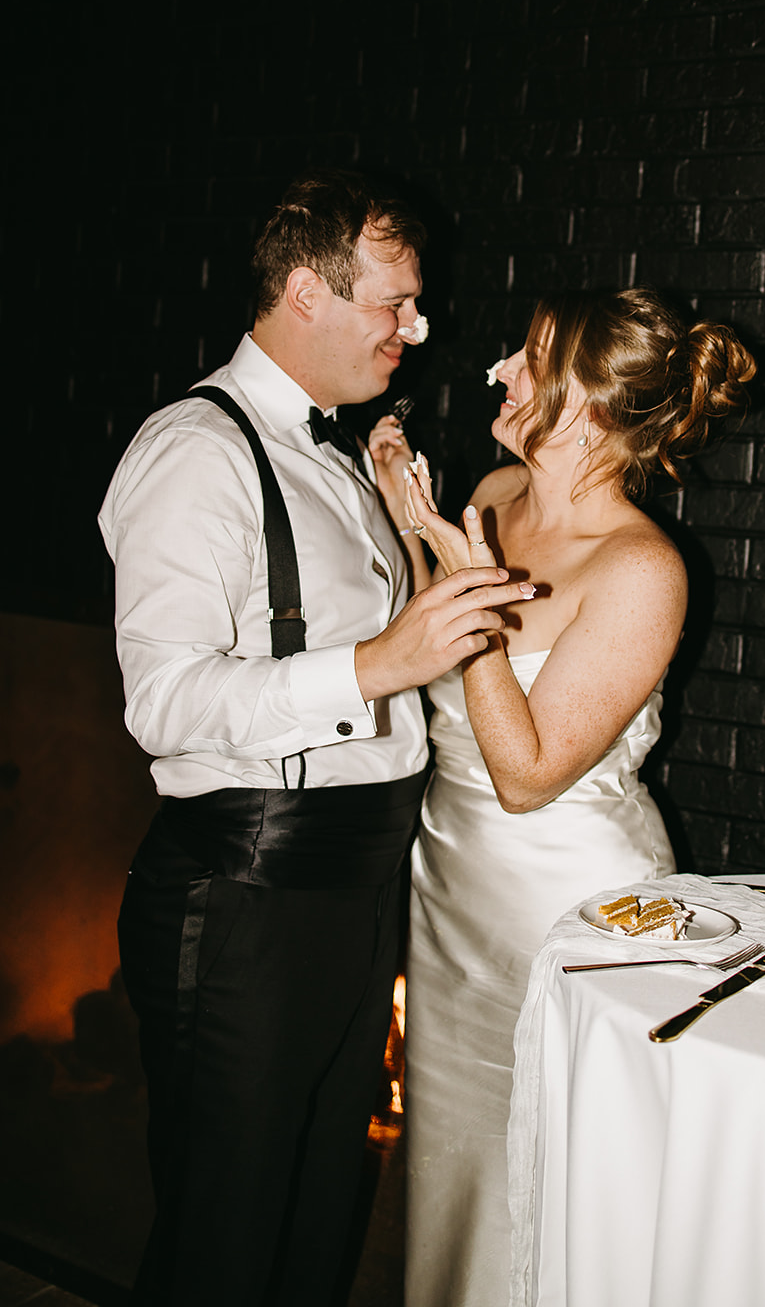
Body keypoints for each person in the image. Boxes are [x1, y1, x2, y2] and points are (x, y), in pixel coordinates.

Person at [98, 168, 534, 1307]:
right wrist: (380, 663)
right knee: (224, 1243)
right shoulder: (196, 451)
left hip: (349, 889)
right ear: (304, 291)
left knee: (309, 1229)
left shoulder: (336, 453)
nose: (415, 328)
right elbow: (165, 701)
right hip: (244, 892)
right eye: (392, 302)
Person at [378, 287, 756, 1307]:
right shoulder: (494, 494)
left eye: (532, 360)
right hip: (450, 888)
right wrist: (415, 525)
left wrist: (469, 589)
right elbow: (439, 672)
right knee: (456, 1166)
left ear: (587, 401)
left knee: (550, 1173)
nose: (501, 369)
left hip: (565, 911)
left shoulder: (641, 567)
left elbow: (528, 771)